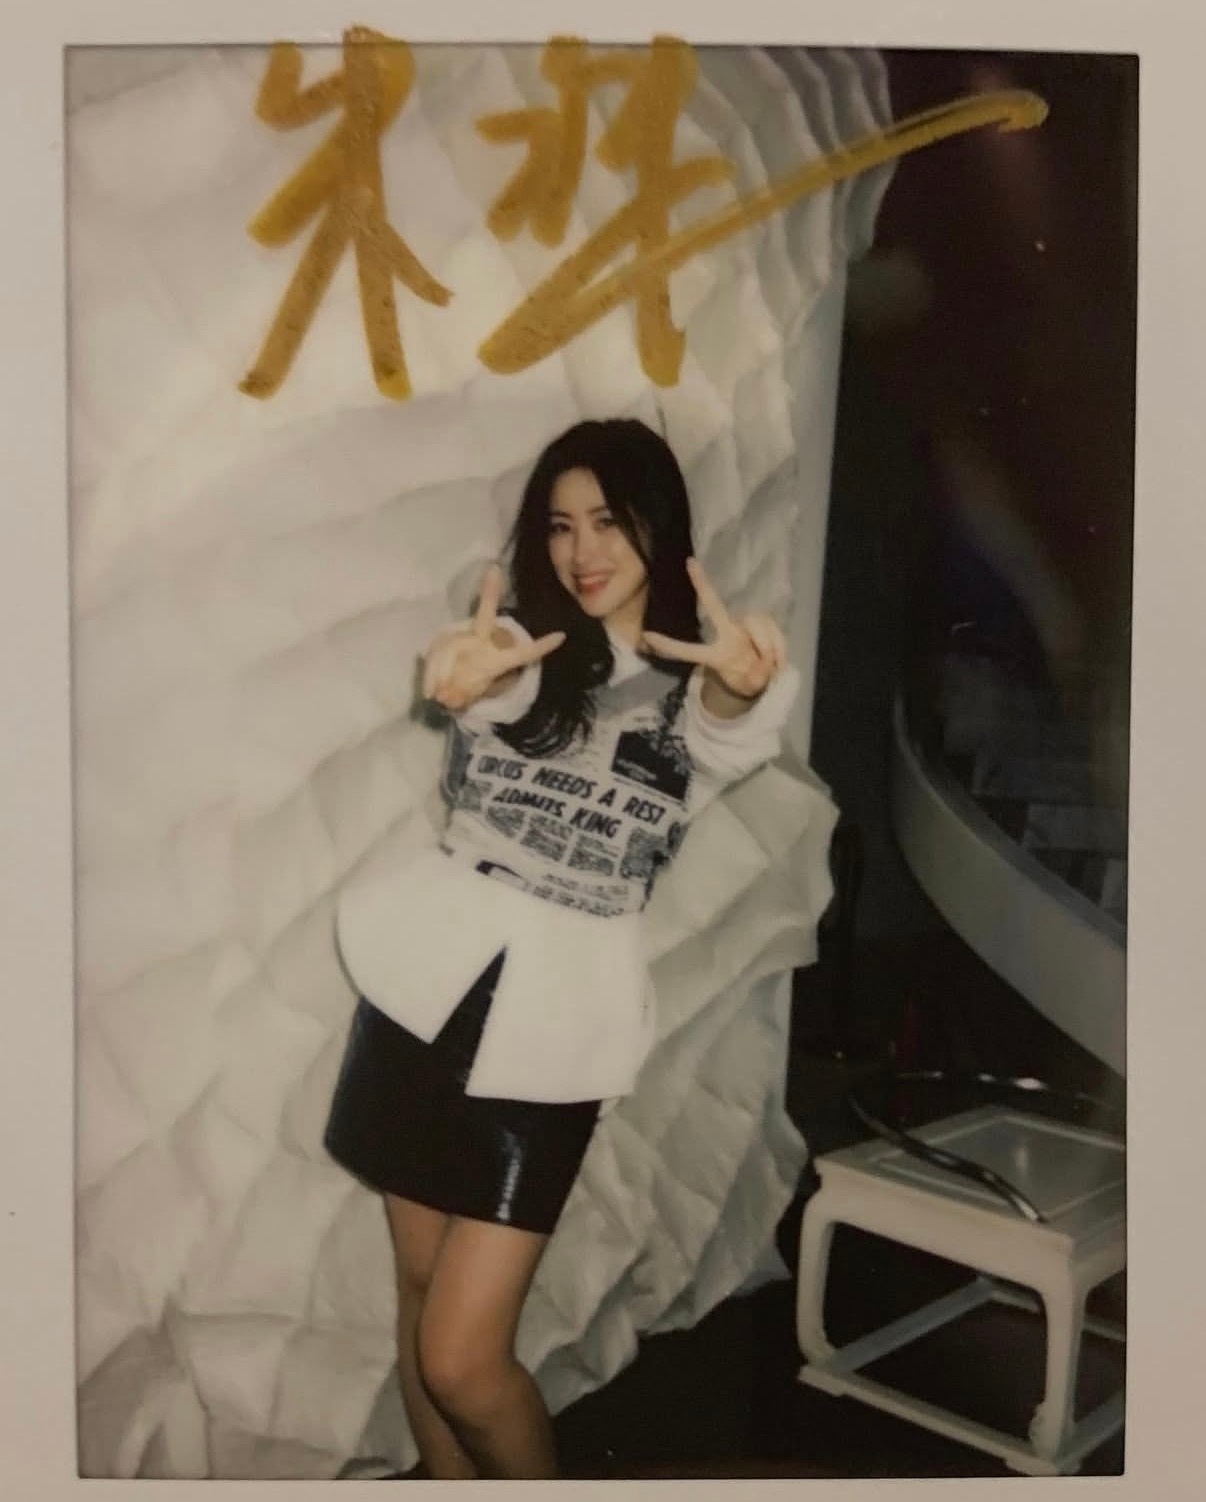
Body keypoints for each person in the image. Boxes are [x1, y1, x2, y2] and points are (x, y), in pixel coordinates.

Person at [324, 417, 799, 1479]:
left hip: (553, 1030)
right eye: (560, 525)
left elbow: (729, 720)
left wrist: (743, 683)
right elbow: (495, 686)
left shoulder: (695, 683)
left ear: (658, 527)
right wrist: (466, 674)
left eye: (609, 521)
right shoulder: (523, 653)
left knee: (462, 1358)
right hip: (423, 990)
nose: (583, 550)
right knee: (417, 1292)